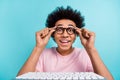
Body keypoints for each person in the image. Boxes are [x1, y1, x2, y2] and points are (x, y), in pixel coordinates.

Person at [17, 6, 113, 80]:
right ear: (52, 33)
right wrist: (38, 47)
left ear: (77, 34)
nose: (65, 35)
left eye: (70, 30)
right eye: (59, 29)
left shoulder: (85, 54)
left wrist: (91, 49)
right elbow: (21, 78)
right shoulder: (43, 54)